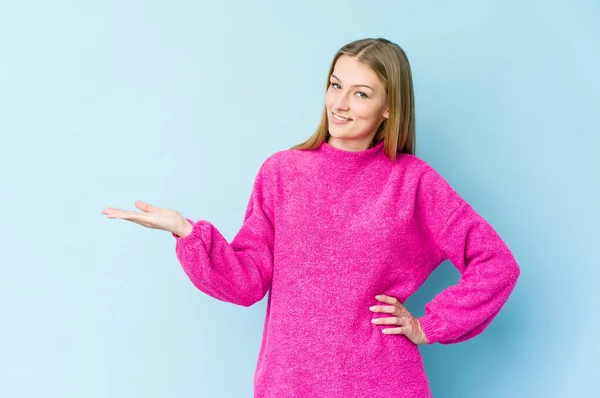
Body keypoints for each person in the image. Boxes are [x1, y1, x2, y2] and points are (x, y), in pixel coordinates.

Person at [102, 37, 520, 397]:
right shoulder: (282, 172)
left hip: (382, 382)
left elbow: (496, 264)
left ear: (389, 108)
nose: (339, 104)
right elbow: (246, 282)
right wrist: (187, 232)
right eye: (335, 85)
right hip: (289, 383)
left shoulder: (413, 182)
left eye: (360, 93)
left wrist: (428, 326)